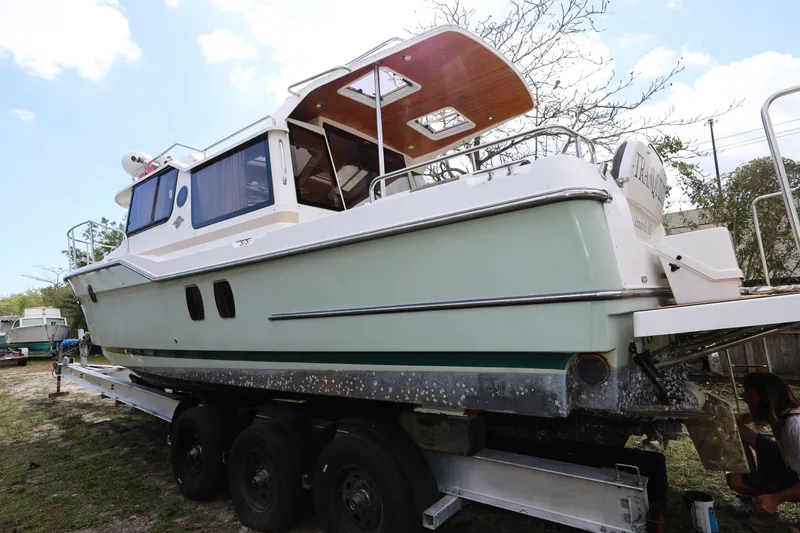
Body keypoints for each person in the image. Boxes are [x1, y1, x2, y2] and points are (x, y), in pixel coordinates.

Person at [726, 372, 800, 513]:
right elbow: (739, 419)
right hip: (787, 460)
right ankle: (752, 477)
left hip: (794, 473)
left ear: (765, 396)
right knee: (736, 431)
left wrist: (777, 498)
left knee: (736, 481)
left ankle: (762, 500)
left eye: (748, 391)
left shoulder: (795, 426)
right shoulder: (777, 410)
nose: (743, 397)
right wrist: (718, 417)